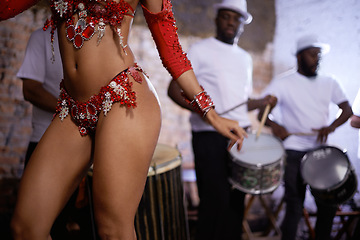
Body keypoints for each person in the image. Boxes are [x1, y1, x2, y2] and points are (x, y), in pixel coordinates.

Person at [0, 0, 248, 240]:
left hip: (122, 95)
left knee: (112, 229)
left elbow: (170, 47)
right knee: (25, 227)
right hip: (73, 108)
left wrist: (210, 113)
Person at [168, 0, 276, 239]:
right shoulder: (199, 50)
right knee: (214, 200)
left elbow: (240, 101)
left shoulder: (245, 58)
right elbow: (174, 90)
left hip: (240, 135)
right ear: (217, 20)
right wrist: (209, 116)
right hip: (209, 135)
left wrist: (261, 102)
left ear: (242, 25)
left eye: (236, 18)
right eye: (226, 16)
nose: (230, 22)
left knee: (236, 201)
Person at [259, 34, 353, 240]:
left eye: (319, 55)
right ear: (300, 56)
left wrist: (331, 126)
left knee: (327, 206)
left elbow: (347, 110)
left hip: (321, 152)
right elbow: (262, 114)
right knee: (294, 205)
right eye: (312, 55)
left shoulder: (329, 82)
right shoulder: (283, 83)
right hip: (294, 151)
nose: (317, 59)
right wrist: (275, 125)